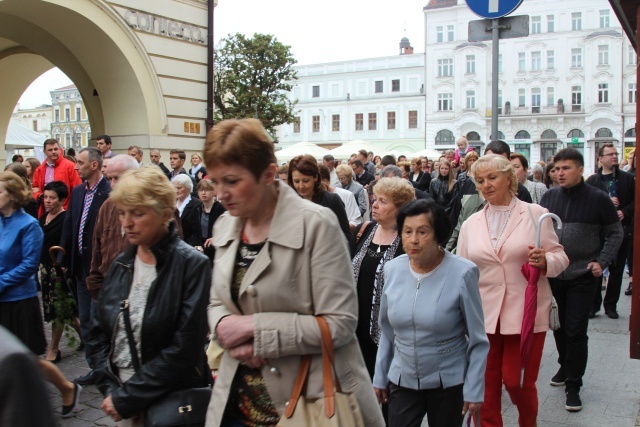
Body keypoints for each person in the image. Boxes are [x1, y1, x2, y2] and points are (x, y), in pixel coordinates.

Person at [204, 118, 384, 427]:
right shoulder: (225, 226)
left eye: (232, 181)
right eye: (215, 181)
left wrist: (256, 331)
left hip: (309, 404)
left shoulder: (317, 224)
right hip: (235, 404)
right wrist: (222, 324)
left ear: (269, 175)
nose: (221, 193)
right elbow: (217, 300)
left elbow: (340, 323)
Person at [88, 166, 211, 425]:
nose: (127, 222)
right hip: (123, 402)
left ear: (165, 213)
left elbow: (184, 348)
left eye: (137, 213)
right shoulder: (122, 264)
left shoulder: (192, 265)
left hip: (171, 403)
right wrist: (112, 390)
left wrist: (129, 396)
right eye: (122, 213)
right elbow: (98, 334)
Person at [458, 155, 569, 426]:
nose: (486, 185)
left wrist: (545, 262)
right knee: (485, 386)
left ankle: (527, 422)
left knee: (516, 381)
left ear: (510, 178)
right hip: (483, 315)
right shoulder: (472, 223)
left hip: (525, 314)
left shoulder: (535, 214)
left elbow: (560, 257)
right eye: (480, 180)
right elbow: (461, 269)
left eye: (492, 178)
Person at [374, 199, 489, 427]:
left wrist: (474, 388)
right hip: (402, 377)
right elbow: (387, 331)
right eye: (407, 231)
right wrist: (380, 376)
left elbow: (477, 339)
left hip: (448, 380)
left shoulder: (463, 272)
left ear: (439, 234)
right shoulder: (392, 269)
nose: (413, 239)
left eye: (422, 231)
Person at [539, 148, 623, 412]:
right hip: (554, 273)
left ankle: (574, 386)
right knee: (559, 326)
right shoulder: (550, 197)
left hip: (583, 274)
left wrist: (602, 262)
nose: (559, 173)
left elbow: (615, 233)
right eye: (556, 169)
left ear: (580, 170)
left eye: (566, 168)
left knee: (576, 330)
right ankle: (565, 365)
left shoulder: (598, 199)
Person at [0, 171, 82, 418]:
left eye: (1, 191)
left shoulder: (28, 225)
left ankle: (66, 388)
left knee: (25, 358)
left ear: (13, 196)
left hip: (18, 301)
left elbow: (28, 265)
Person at [350, 177, 414, 380]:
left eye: (383, 201)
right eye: (375, 199)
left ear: (400, 207)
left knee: (389, 395)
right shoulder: (365, 230)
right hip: (356, 330)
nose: (374, 205)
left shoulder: (409, 239)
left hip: (390, 334)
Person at [59, 147, 111, 386]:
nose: (75, 166)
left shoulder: (108, 191)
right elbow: (70, 224)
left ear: (93, 165)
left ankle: (108, 366)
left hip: (100, 269)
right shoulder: (78, 191)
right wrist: (63, 258)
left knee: (102, 319)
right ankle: (95, 367)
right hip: (80, 267)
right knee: (87, 320)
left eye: (80, 163)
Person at [586, 143, 635, 318]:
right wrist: (606, 203)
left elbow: (634, 202)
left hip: (621, 230)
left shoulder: (627, 179)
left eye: (615, 154)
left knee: (617, 269)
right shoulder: (593, 181)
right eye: (609, 154)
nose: (614, 157)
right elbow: (588, 204)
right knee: (597, 267)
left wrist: (624, 211)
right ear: (600, 159)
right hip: (598, 232)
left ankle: (611, 305)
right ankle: (594, 304)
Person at [39, 181, 82, 363]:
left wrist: (64, 267)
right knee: (67, 310)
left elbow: (69, 245)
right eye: (45, 197)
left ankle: (54, 349)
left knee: (59, 309)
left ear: (62, 200)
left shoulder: (66, 219)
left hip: (59, 270)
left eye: (52, 198)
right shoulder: (43, 217)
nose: (47, 201)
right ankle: (86, 337)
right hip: (44, 270)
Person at [289, 154, 351, 241]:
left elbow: (345, 236)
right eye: (296, 181)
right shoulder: (289, 204)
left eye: (305, 181)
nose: (301, 186)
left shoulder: (332, 200)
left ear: (316, 177)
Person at [32, 139, 82, 216]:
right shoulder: (40, 169)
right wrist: (40, 196)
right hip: (45, 211)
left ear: (60, 150)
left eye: (56, 149)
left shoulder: (70, 166)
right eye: (50, 150)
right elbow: (34, 189)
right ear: (45, 152)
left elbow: (77, 189)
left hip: (64, 211)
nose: (53, 152)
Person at [181, 178, 226, 262]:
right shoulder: (196, 209)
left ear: (214, 192)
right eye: (201, 190)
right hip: (201, 250)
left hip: (217, 249)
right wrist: (196, 245)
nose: (203, 193)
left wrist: (216, 238)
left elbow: (226, 230)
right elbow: (194, 231)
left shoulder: (221, 209)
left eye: (207, 190)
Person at [319, 164, 363, 232]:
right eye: (339, 178)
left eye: (343, 178)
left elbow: (355, 221)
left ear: (328, 180)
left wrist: (340, 228)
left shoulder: (347, 194)